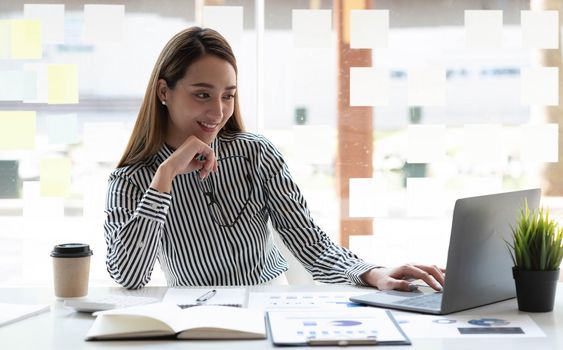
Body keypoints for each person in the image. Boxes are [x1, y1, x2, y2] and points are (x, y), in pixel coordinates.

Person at [104, 26, 445, 290]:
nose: (218, 111)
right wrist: (164, 176)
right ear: (164, 91)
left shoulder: (256, 154)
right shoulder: (131, 178)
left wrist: (373, 273)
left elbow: (309, 243)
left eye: (229, 96)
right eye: (202, 95)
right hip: (192, 316)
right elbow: (129, 276)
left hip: (268, 305)